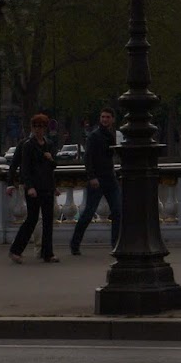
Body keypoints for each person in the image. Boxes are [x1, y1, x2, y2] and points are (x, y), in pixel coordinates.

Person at [69, 106, 122, 255]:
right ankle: (75, 244)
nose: (105, 119)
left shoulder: (111, 135)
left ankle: (116, 244)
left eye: (107, 117)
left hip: (110, 178)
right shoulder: (94, 136)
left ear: (112, 119)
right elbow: (88, 158)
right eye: (103, 117)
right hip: (98, 179)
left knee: (117, 211)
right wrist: (91, 177)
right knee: (88, 213)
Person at [7, 113, 58, 264]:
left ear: (45, 128)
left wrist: (51, 160)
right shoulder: (28, 145)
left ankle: (48, 253)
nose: (38, 129)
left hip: (47, 186)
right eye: (35, 126)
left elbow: (52, 167)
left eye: (41, 127)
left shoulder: (49, 144)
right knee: (32, 219)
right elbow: (25, 168)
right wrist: (29, 186)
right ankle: (16, 250)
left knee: (48, 220)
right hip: (34, 187)